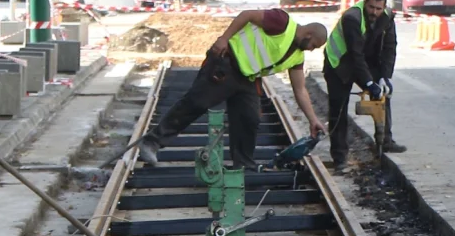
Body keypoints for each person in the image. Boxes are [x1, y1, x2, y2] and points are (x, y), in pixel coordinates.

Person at [137, 9, 329, 170]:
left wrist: (313, 119)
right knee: (195, 103)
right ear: (309, 34)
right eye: (314, 45)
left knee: (249, 119)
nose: (312, 49)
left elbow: (300, 89)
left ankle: (243, 165)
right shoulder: (281, 22)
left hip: (248, 80)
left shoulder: (297, 57)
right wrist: (224, 39)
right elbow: (247, 15)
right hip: (227, 62)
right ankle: (152, 142)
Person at [323, 0, 404, 168]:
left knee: (383, 95)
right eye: (371, 7)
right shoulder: (352, 18)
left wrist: (384, 78)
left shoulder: (388, 17)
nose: (374, 12)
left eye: (378, 8)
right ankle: (340, 157)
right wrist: (368, 83)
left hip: (364, 61)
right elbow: (355, 55)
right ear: (365, 3)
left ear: (384, 7)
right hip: (339, 64)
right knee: (338, 109)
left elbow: (390, 48)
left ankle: (385, 141)